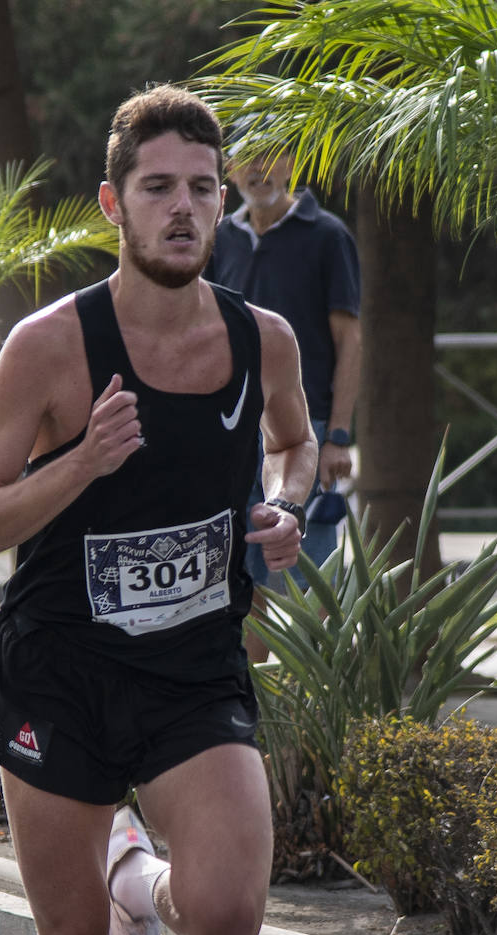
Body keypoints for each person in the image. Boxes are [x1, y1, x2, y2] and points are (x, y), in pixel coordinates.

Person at [0, 85, 349, 935]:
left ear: (224, 208)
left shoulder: (259, 338)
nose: (183, 210)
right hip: (58, 675)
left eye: (202, 189)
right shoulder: (51, 347)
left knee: (224, 917)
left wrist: (279, 509)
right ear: (112, 204)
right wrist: (82, 463)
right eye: (158, 189)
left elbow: (292, 445)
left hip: (188, 671)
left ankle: (145, 877)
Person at [207, 145, 361, 649]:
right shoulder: (220, 238)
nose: (258, 169)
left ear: (292, 163)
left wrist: (338, 435)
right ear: (228, 170)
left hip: (306, 431)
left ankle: (318, 700)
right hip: (230, 433)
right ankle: (257, 711)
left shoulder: (328, 235)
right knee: (244, 568)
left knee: (309, 567)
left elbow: (350, 342)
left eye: (270, 157)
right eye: (246, 158)